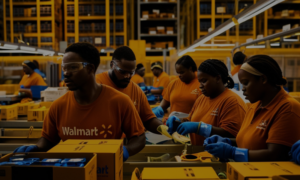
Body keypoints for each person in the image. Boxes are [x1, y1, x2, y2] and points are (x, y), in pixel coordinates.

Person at [14, 43, 146, 162]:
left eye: (73, 67)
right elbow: (48, 140)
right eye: (64, 68)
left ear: (90, 69)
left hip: (106, 171)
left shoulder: (119, 102)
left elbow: (139, 138)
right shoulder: (58, 106)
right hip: (71, 171)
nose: (66, 73)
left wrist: (126, 151)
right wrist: (36, 148)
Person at [204, 55, 300, 162]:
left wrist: (232, 152)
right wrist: (228, 142)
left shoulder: (287, 108)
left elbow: (275, 155)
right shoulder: (255, 105)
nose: (243, 89)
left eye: (246, 83)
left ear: (263, 79)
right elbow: (251, 141)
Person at [166, 59, 247, 146]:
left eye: (204, 81)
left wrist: (200, 128)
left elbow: (232, 135)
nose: (200, 86)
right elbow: (191, 120)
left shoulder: (232, 101)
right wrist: (178, 122)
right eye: (199, 82)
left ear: (218, 78)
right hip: (198, 155)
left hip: (217, 157)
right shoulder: (202, 98)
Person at [95, 46, 163, 134]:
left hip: (130, 144)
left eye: (131, 73)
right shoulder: (96, 84)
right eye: (122, 72)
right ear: (112, 65)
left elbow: (148, 119)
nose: (127, 76)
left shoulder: (136, 90)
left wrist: (165, 128)